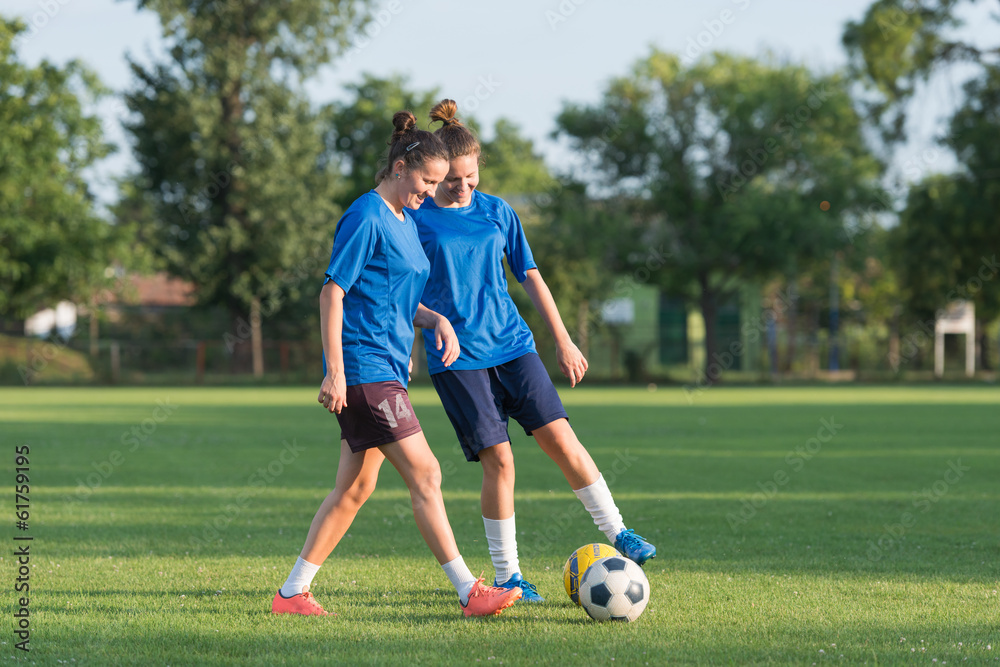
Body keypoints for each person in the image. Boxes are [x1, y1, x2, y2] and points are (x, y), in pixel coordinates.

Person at [272, 111, 522, 618]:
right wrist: (335, 370)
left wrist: (436, 321)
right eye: (428, 181)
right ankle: (468, 591)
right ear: (401, 166)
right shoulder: (366, 216)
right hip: (363, 371)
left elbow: (397, 296)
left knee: (355, 489)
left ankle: (291, 594)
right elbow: (332, 292)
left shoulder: (406, 221)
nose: (431, 192)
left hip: (385, 369)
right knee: (426, 475)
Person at [409, 99, 656, 603]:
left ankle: (619, 532)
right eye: (452, 180)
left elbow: (532, 278)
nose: (462, 189)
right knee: (500, 460)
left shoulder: (498, 211)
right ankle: (508, 577)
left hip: (514, 346)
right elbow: (399, 290)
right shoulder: (414, 219)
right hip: (458, 360)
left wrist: (563, 339)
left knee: (562, 440)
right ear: (433, 176)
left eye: (471, 178)